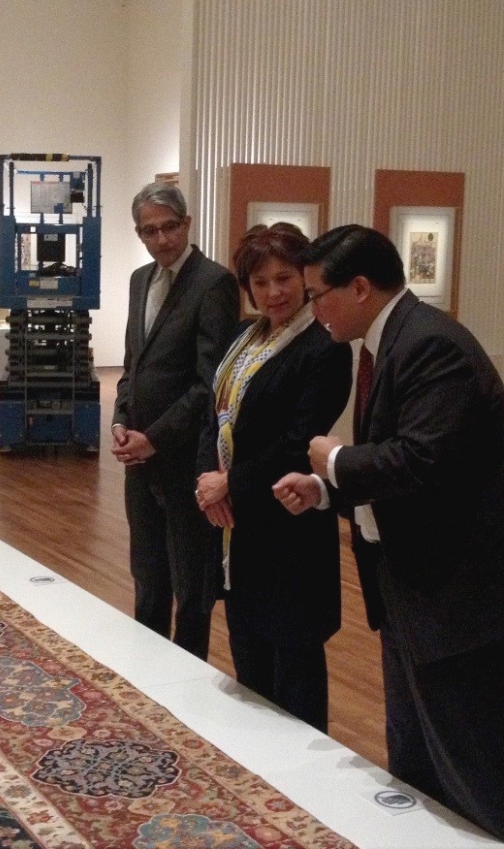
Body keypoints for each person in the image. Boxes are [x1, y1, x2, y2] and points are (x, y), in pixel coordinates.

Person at [273, 224, 504, 849]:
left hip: (464, 603)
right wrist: (326, 491)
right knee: (419, 772)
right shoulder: (394, 341)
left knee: (478, 779)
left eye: (319, 295)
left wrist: (334, 461)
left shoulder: (430, 344)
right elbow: (412, 474)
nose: (314, 311)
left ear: (362, 287)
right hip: (417, 594)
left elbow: (419, 461)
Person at [194, 223, 351, 730]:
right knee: (249, 660)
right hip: (238, 526)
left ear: (306, 278)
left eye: (284, 278)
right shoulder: (246, 336)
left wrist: (230, 484)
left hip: (288, 522)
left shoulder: (325, 348)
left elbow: (298, 442)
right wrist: (205, 479)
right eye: (260, 282)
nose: (274, 292)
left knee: (296, 670)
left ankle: (305, 791)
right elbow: (213, 413)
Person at [112, 182, 238, 660]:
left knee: (192, 588)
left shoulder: (214, 283)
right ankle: (147, 678)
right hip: (139, 464)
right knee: (147, 578)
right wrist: (121, 420)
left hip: (187, 462)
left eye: (169, 227)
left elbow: (209, 384)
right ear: (139, 235)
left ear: (187, 224)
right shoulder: (139, 279)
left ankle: (188, 689)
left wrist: (156, 439)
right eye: (150, 231)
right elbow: (133, 365)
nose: (161, 239)